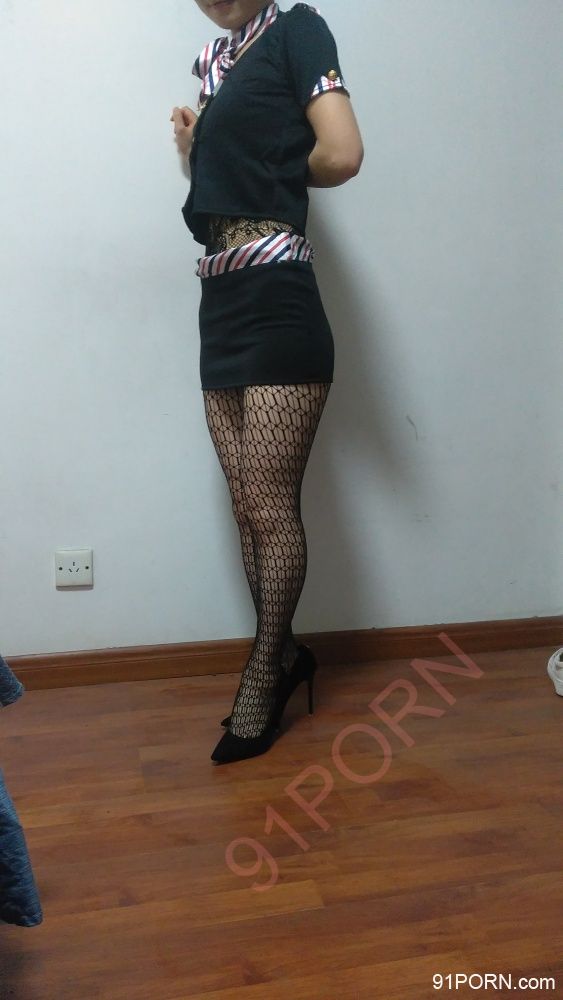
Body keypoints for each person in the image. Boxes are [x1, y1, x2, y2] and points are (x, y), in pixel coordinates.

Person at [170, 1, 364, 764]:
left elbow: (340, 154)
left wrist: (267, 162)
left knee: (270, 506)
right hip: (219, 294)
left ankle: (264, 673)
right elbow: (237, 182)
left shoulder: (295, 30)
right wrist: (197, 149)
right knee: (247, 506)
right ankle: (283, 654)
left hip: (277, 294)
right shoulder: (219, 68)